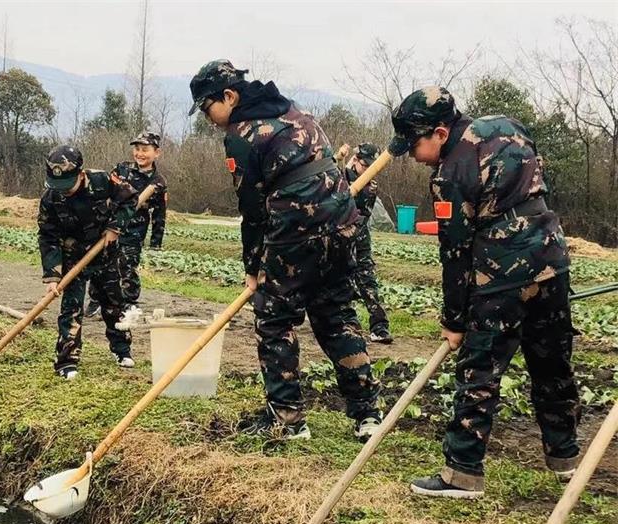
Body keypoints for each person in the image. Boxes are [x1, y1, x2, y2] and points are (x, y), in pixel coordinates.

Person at [388, 86, 579, 499]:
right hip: (552, 255)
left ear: (440, 132)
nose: (414, 156)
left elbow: (455, 252)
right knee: (552, 362)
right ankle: (565, 457)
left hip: (502, 269)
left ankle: (462, 472)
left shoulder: (450, 173)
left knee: (480, 370)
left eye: (415, 145)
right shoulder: (508, 126)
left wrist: (455, 320)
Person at [189, 59, 381, 440]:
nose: (209, 119)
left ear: (229, 96)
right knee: (335, 313)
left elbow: (252, 209)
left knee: (274, 319)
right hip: (344, 223)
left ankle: (288, 419)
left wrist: (253, 268)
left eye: (208, 108)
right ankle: (368, 415)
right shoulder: (292, 111)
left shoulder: (241, 134)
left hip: (297, 227)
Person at [38, 144, 139, 379]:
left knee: (114, 303)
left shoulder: (103, 181)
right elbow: (48, 236)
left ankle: (121, 350)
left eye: (68, 185)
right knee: (71, 309)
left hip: (104, 252)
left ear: (81, 175)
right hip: (73, 258)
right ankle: (66, 362)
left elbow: (130, 199)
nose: (63, 191)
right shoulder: (50, 198)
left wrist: (115, 227)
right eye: (58, 186)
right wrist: (52, 275)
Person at [85, 132, 168, 317]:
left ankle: (129, 301)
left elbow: (160, 213)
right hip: (110, 226)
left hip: (134, 231)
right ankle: (96, 299)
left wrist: (156, 242)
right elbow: (105, 194)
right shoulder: (122, 169)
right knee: (101, 262)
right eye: (137, 149)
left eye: (145, 150)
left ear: (156, 153)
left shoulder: (158, 182)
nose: (140, 153)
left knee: (127, 266)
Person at [337, 142, 393, 344]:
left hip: (358, 236)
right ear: (356, 160)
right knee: (339, 279)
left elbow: (351, 205)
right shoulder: (340, 175)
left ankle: (379, 327)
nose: (369, 170)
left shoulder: (370, 186)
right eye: (366, 165)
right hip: (338, 238)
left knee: (366, 280)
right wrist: (339, 159)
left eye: (372, 167)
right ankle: (349, 321)